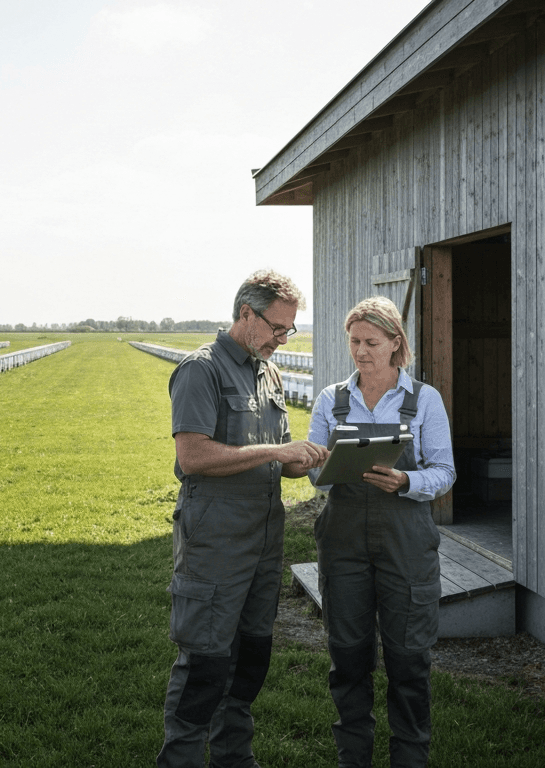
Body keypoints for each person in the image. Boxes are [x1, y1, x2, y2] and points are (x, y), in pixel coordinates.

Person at [159, 269, 330, 768]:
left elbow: (274, 460)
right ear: (245, 315)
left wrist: (305, 460)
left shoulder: (268, 372)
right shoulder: (201, 370)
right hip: (215, 543)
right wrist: (277, 450)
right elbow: (193, 457)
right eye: (278, 328)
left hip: (263, 542)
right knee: (205, 667)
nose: (283, 338)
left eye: (290, 331)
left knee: (251, 659)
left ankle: (234, 758)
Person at [306, 295, 455, 768]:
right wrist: (321, 463)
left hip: (406, 545)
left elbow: (445, 471)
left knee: (409, 663)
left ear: (396, 344)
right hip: (344, 544)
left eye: (371, 342)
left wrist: (407, 480)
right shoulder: (333, 399)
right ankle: (354, 760)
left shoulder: (424, 400)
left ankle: (409, 760)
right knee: (348, 661)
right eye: (354, 341)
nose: (361, 351)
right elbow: (312, 469)